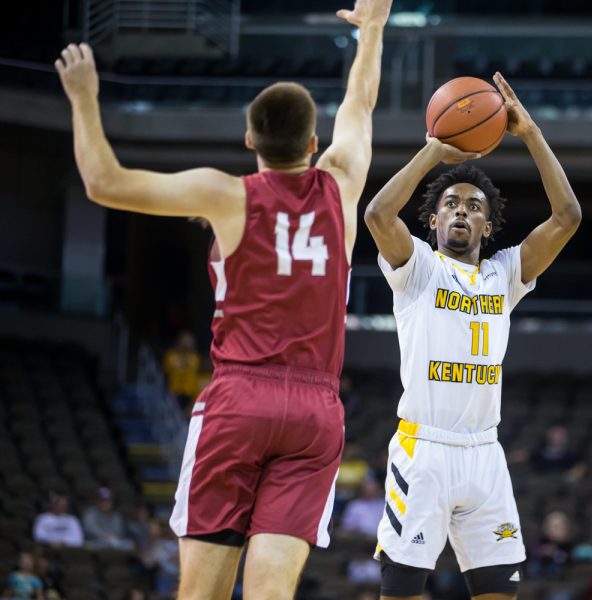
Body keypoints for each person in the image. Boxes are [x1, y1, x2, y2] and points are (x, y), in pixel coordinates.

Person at [54, 0, 392, 596]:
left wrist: (83, 96)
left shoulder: (226, 195)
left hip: (241, 396)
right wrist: (372, 31)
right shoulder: (340, 184)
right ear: (315, 141)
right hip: (316, 410)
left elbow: (103, 182)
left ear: (248, 139)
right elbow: (361, 104)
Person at [365, 72, 581, 599]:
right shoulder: (418, 268)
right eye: (451, 204)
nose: (462, 209)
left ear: (488, 226)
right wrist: (432, 153)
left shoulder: (505, 274)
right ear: (434, 220)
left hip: (486, 453)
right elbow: (376, 213)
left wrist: (529, 133)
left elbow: (568, 216)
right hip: (425, 449)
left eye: (474, 206)